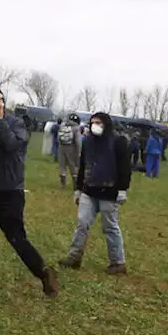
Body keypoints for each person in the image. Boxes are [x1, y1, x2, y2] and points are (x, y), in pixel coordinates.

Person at [0, 85, 59, 296]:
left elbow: (11, 144)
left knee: (17, 238)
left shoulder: (16, 123)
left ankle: (44, 274)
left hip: (9, 193)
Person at [61, 112, 130, 275]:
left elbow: (124, 167)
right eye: (92, 122)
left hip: (110, 192)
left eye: (98, 122)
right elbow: (83, 166)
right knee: (82, 224)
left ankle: (118, 262)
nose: (95, 125)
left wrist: (122, 189)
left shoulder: (118, 142)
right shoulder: (88, 141)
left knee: (110, 227)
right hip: (89, 191)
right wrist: (78, 189)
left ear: (106, 124)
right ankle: (74, 257)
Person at [56, 113, 82, 189]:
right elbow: (78, 141)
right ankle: (75, 185)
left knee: (62, 166)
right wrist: (79, 151)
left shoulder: (63, 125)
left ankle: (62, 184)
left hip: (61, 147)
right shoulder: (76, 128)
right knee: (73, 166)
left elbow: (58, 138)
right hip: (72, 148)